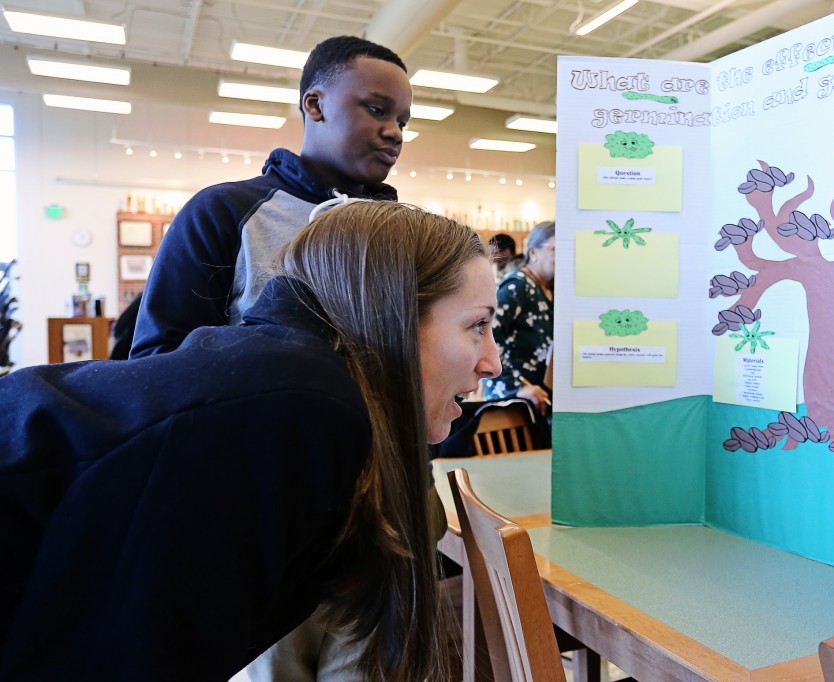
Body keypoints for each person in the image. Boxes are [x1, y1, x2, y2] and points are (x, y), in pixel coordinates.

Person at [0, 201, 501, 681]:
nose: (492, 362)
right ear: (393, 314)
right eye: (477, 325)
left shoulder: (297, 386)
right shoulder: (302, 410)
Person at [130, 35, 413, 359]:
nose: (395, 132)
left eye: (402, 122)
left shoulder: (404, 234)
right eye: (377, 110)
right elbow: (156, 362)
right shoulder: (223, 212)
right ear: (316, 105)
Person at [482, 221, 555, 417]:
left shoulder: (551, 288)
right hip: (514, 400)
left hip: (539, 399)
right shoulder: (518, 285)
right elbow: (486, 333)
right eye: (555, 249)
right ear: (533, 253)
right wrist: (515, 386)